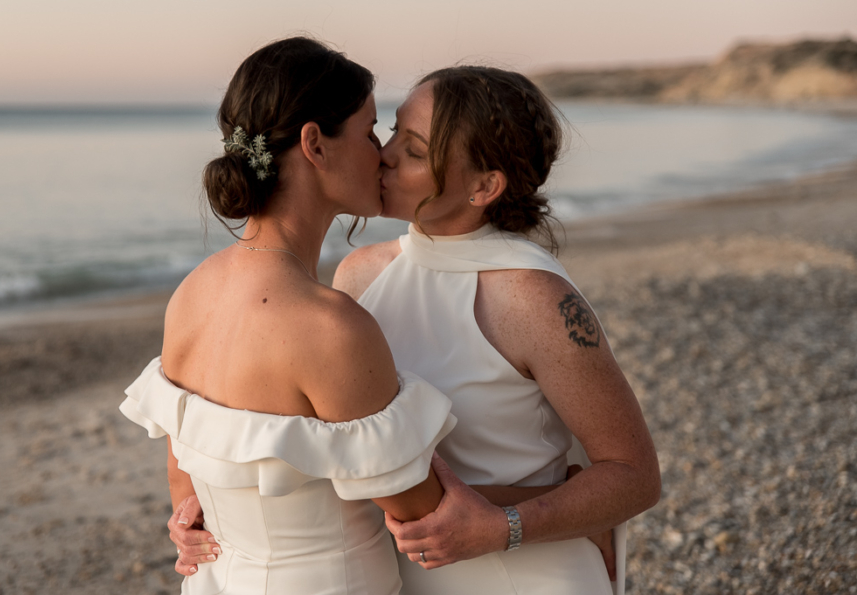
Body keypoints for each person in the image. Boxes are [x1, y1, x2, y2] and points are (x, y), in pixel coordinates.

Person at [119, 37, 455, 595]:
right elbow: (421, 513)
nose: (385, 153)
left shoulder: (192, 293)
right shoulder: (329, 328)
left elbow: (184, 471)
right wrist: (547, 509)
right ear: (315, 144)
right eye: (371, 130)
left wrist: (196, 522)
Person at [332, 67, 661, 594]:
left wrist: (501, 526)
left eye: (414, 151)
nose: (386, 155)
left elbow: (634, 475)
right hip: (406, 572)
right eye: (393, 131)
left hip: (525, 572)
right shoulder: (359, 276)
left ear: (484, 186)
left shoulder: (534, 298)